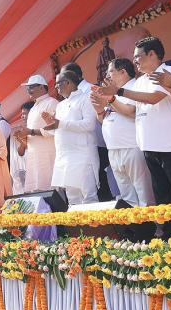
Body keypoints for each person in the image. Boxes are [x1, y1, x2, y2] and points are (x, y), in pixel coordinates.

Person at [95, 36, 171, 238]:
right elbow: (131, 110)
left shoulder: (167, 72)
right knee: (162, 197)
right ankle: (170, 237)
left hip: (170, 147)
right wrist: (111, 98)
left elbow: (152, 99)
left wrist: (120, 90)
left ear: (152, 54)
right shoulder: (140, 81)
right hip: (149, 148)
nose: (135, 61)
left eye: (138, 56)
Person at [90, 58, 154, 207]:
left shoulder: (134, 87)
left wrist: (111, 100)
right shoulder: (114, 92)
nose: (107, 76)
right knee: (127, 195)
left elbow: (131, 112)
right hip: (114, 149)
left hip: (131, 146)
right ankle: (137, 229)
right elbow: (104, 120)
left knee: (143, 190)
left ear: (123, 72)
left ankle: (155, 227)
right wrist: (99, 109)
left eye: (110, 71)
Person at [41, 70, 100, 204]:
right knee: (73, 198)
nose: (55, 87)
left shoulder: (85, 98)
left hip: (83, 155)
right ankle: (77, 225)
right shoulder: (60, 105)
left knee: (88, 197)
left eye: (58, 84)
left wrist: (60, 124)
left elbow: (89, 125)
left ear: (67, 82)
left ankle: (93, 225)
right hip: (64, 158)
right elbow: (60, 131)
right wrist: (51, 125)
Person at [63, 62, 111, 201]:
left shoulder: (91, 90)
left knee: (99, 186)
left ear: (74, 77)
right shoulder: (69, 98)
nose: (60, 85)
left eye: (64, 80)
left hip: (98, 144)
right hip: (79, 149)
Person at [14, 74, 58, 192]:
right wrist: (23, 136)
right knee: (36, 190)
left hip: (48, 154)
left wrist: (31, 132)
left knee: (51, 189)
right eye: (28, 87)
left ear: (42, 87)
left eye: (32, 87)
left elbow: (54, 130)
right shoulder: (33, 108)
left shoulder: (52, 103)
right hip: (34, 155)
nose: (29, 90)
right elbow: (30, 132)